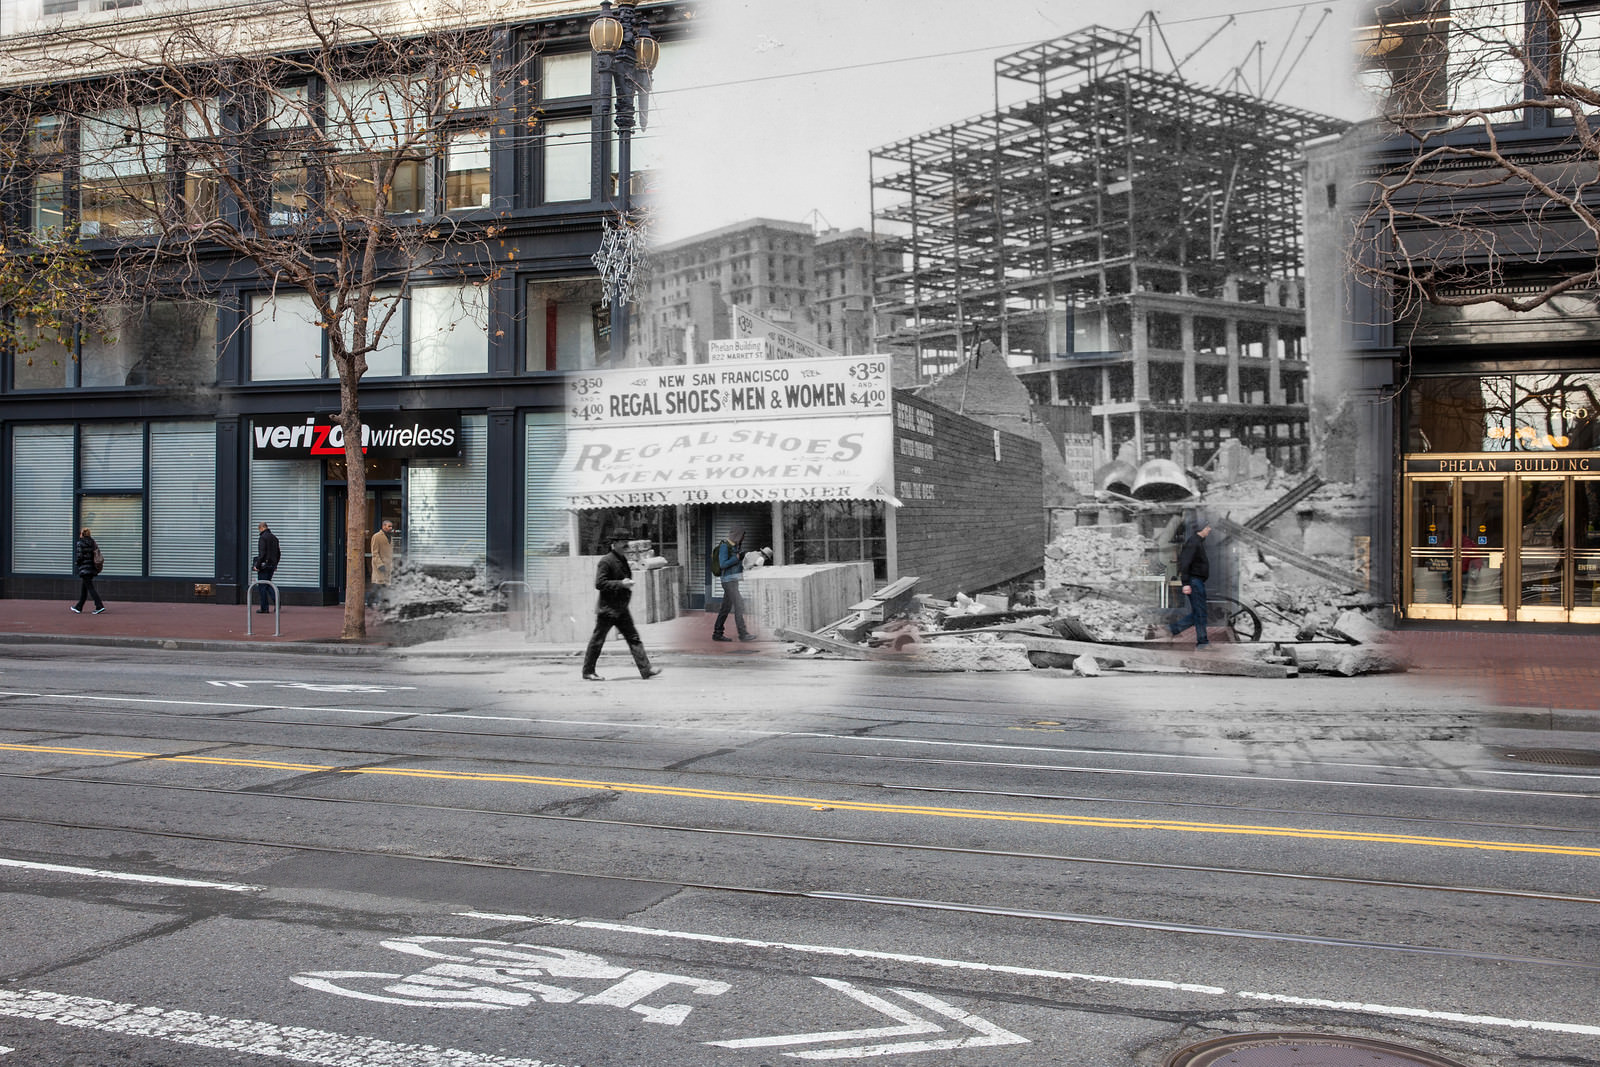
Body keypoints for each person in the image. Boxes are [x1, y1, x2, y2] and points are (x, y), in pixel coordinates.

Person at [581, 530, 662, 682]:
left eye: (627, 541)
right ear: (615, 543)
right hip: (608, 609)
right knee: (598, 640)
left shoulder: (621, 558)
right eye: (623, 541)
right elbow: (599, 583)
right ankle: (588, 671)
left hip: (621, 608)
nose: (627, 544)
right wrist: (621, 583)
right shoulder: (606, 561)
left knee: (633, 638)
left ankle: (646, 670)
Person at [1169, 521, 1212, 648]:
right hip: (1194, 581)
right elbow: (1185, 563)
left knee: (1200, 612)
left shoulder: (1197, 542)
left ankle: (1173, 629)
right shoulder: (1193, 542)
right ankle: (1202, 642)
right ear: (1202, 528)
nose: (1209, 530)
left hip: (1196, 581)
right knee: (1200, 613)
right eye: (1208, 527)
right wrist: (1186, 583)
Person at [713, 527, 755, 642]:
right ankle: (743, 634)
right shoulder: (724, 546)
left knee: (725, 608)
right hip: (727, 581)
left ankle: (717, 633)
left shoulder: (735, 547)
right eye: (742, 536)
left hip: (733, 580)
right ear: (737, 535)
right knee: (739, 605)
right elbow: (723, 564)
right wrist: (736, 558)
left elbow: (736, 566)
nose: (743, 538)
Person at [70, 527, 105, 614]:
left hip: (84, 568)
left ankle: (99, 606)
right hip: (91, 568)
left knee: (90, 588)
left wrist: (77, 563)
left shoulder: (80, 543)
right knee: (84, 588)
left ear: (82, 534)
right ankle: (79, 607)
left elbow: (80, 556)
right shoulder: (92, 542)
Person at [252, 521, 281, 613]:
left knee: (262, 586)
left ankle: (264, 608)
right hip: (272, 565)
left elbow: (262, 553)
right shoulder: (274, 538)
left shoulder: (263, 538)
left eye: (259, 529)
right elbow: (278, 553)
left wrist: (257, 565)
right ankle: (277, 603)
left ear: (261, 528)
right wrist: (275, 564)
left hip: (264, 566)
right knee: (268, 584)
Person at [368, 519, 394, 607]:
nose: (391, 528)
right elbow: (374, 552)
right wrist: (380, 565)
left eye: (391, 526)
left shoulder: (390, 537)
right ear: (383, 526)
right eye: (389, 526)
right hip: (380, 565)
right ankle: (370, 601)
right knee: (379, 584)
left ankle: (383, 603)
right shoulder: (377, 536)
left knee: (385, 584)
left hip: (388, 565)